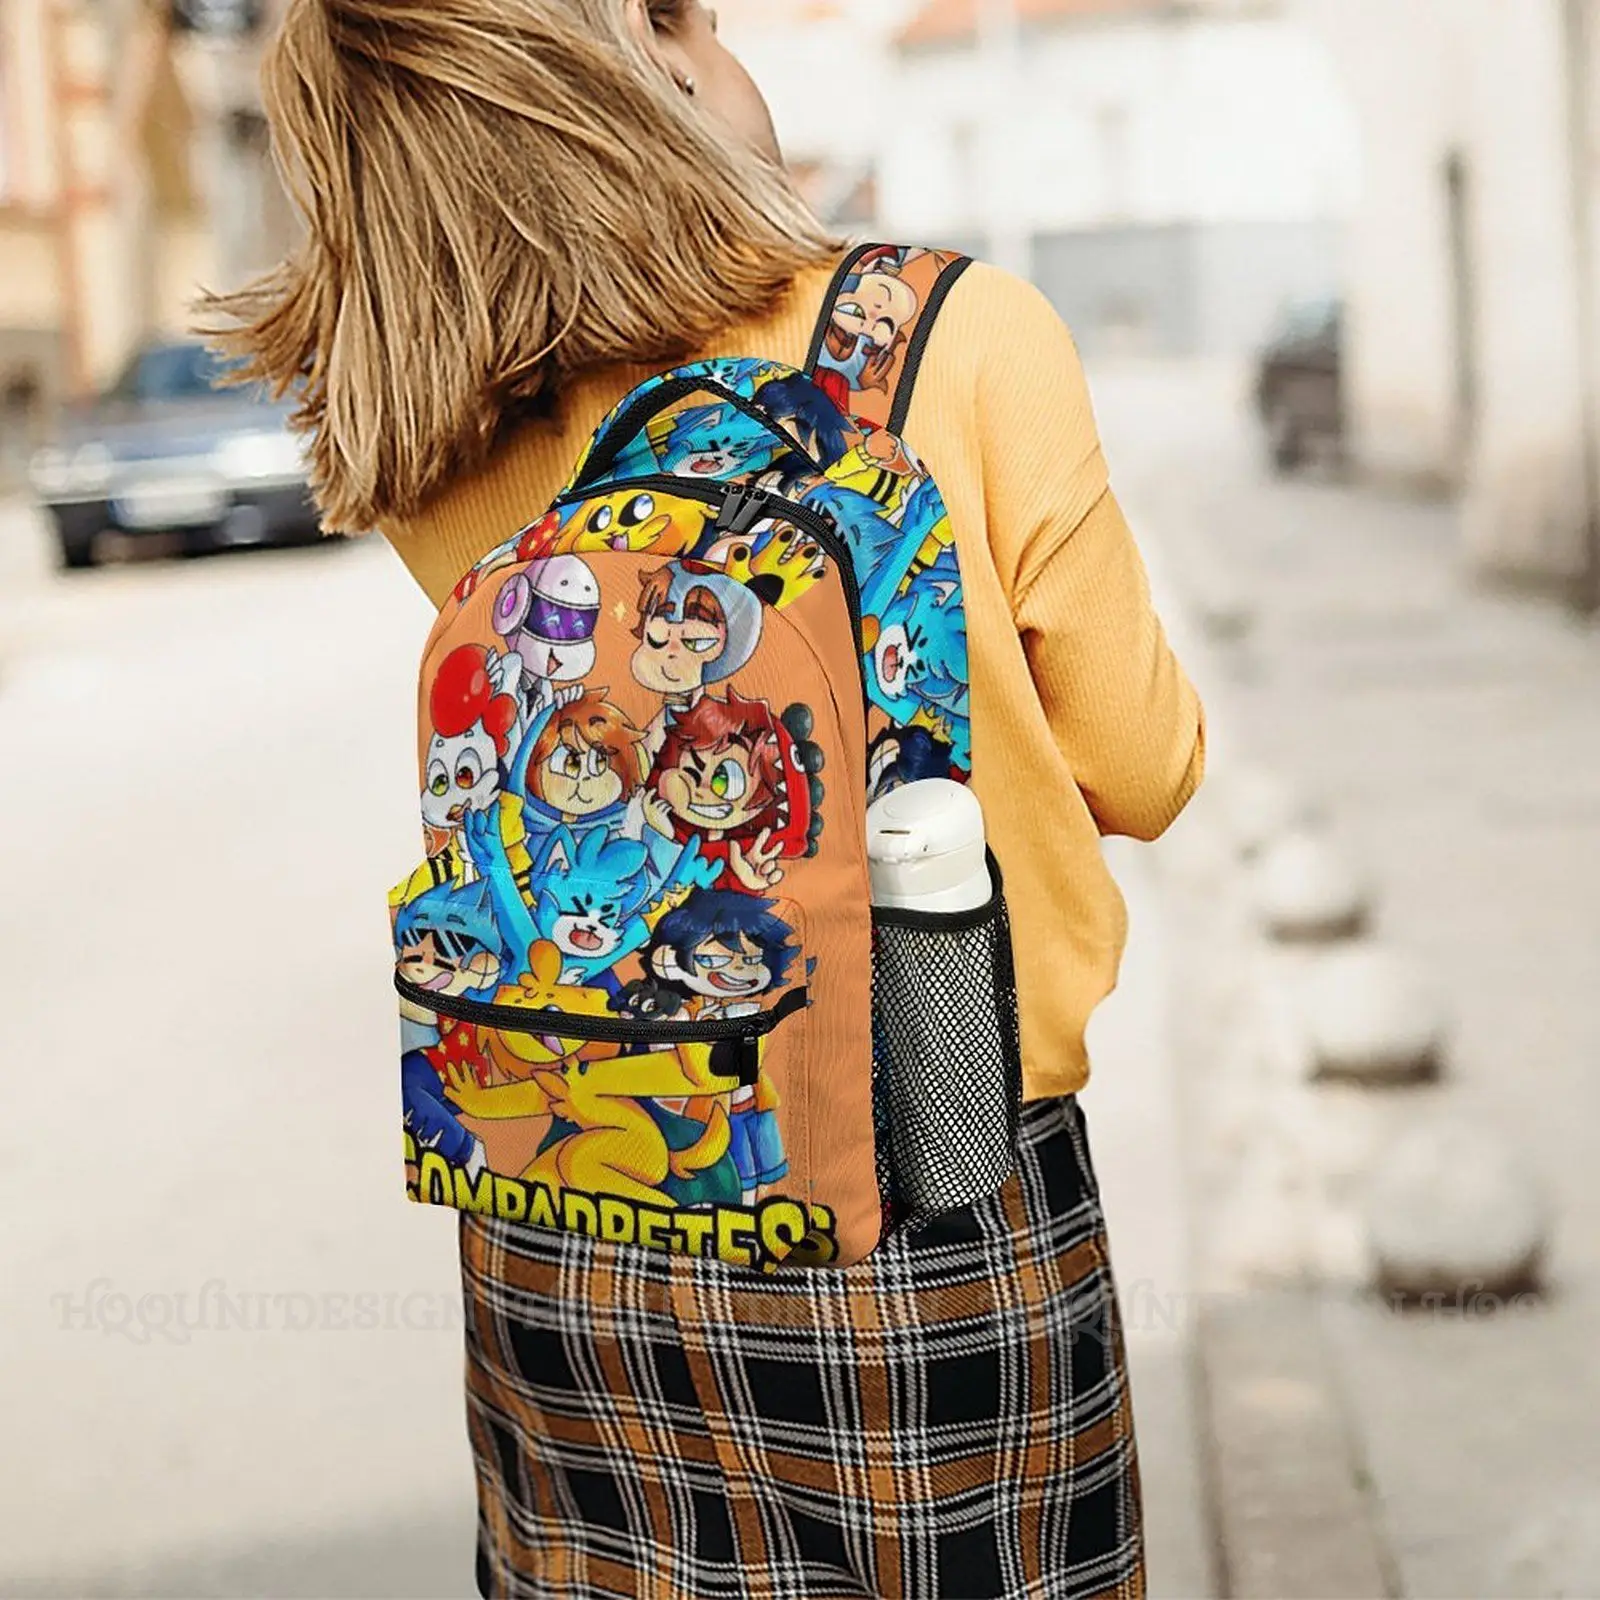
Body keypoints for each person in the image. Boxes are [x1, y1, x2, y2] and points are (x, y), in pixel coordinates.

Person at [206, 3, 1205, 1595]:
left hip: (565, 1214)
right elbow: (1143, 765)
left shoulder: (442, 421)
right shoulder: (950, 336)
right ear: (646, 55)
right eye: (692, 16)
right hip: (922, 1188)